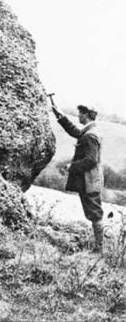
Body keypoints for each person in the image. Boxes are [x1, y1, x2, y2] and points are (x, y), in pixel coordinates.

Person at [52, 103, 104, 253]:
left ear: (85, 115)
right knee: (94, 212)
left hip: (90, 181)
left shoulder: (90, 135)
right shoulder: (90, 131)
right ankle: (97, 246)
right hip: (90, 180)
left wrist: (71, 166)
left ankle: (99, 249)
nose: (78, 116)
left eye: (80, 114)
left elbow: (91, 160)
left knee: (95, 213)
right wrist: (60, 115)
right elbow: (75, 132)